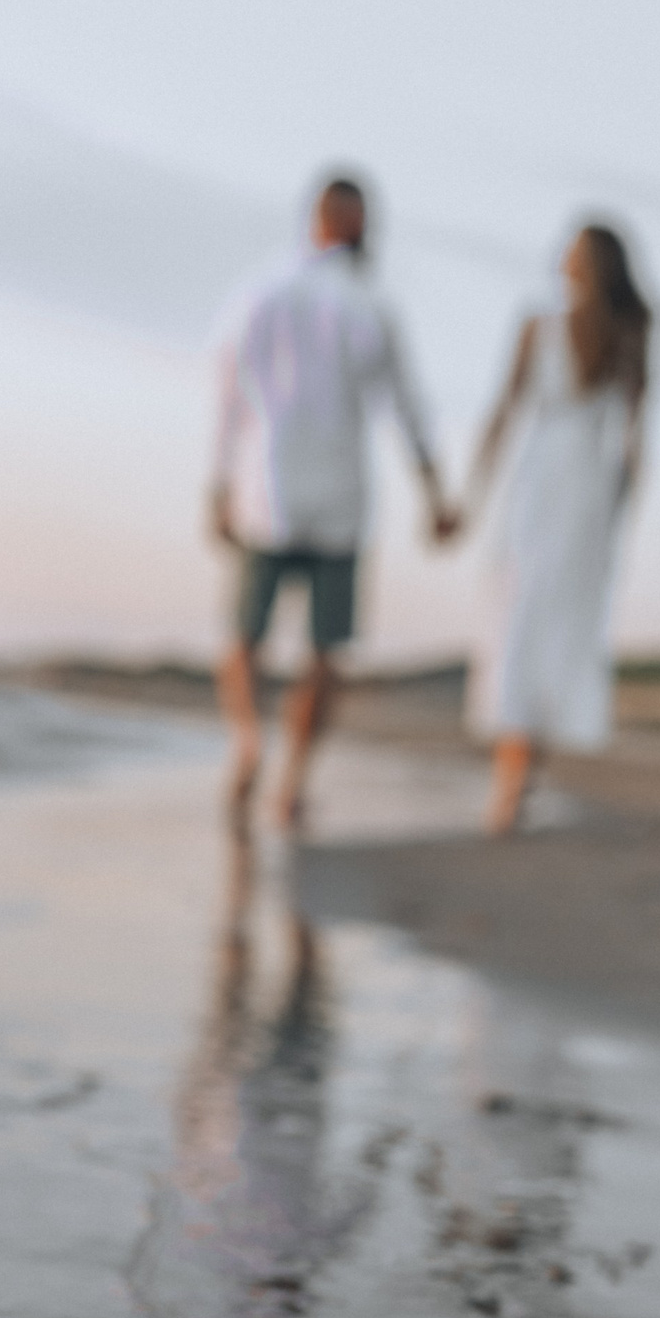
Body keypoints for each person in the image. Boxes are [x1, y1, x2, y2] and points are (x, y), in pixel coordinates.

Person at [207, 174, 457, 831]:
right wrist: (434, 492)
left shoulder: (262, 292)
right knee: (325, 652)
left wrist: (219, 483)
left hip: (266, 489)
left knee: (244, 638)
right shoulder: (368, 305)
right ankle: (291, 780)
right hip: (340, 501)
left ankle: (248, 739)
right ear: (353, 225)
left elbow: (230, 393)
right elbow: (408, 407)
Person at [463, 224, 652, 835]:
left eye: (571, 254)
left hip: (544, 478)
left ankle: (511, 778)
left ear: (585, 266)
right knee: (559, 626)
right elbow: (634, 444)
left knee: (520, 617)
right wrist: (622, 515)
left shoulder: (541, 327)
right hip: (591, 488)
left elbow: (503, 410)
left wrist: (471, 493)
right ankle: (521, 769)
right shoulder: (629, 336)